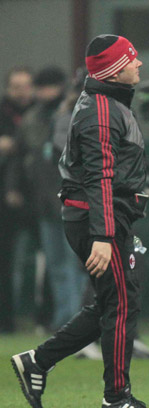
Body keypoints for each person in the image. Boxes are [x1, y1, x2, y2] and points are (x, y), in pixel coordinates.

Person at [10, 34, 149, 408]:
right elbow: (100, 178)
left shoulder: (107, 104)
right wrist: (103, 235)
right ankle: (116, 398)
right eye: (131, 58)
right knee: (121, 304)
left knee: (114, 302)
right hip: (97, 220)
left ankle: (38, 362)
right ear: (114, 70)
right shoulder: (100, 110)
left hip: (102, 217)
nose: (139, 63)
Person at [8, 66, 89, 331]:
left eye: (48, 87)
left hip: (71, 201)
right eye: (40, 87)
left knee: (75, 264)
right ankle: (65, 318)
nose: (44, 93)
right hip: (44, 201)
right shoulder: (33, 118)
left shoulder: (73, 114)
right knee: (56, 266)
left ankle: (77, 318)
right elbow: (20, 156)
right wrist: (14, 187)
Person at [0, 66, 34, 333]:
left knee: (54, 262)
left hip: (39, 195)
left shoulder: (41, 113)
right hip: (6, 197)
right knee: (8, 261)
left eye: (25, 86)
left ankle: (49, 318)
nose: (21, 92)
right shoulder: (3, 112)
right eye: (16, 87)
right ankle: (6, 319)